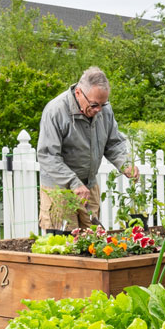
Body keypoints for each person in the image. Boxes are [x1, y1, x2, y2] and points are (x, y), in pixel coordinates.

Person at [37, 66, 138, 233]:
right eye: (94, 104)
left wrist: (124, 163)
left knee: (93, 242)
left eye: (103, 104)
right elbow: (48, 155)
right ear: (78, 93)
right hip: (59, 190)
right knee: (65, 245)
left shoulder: (104, 110)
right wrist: (73, 182)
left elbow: (113, 143)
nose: (99, 109)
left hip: (88, 187)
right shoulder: (55, 111)